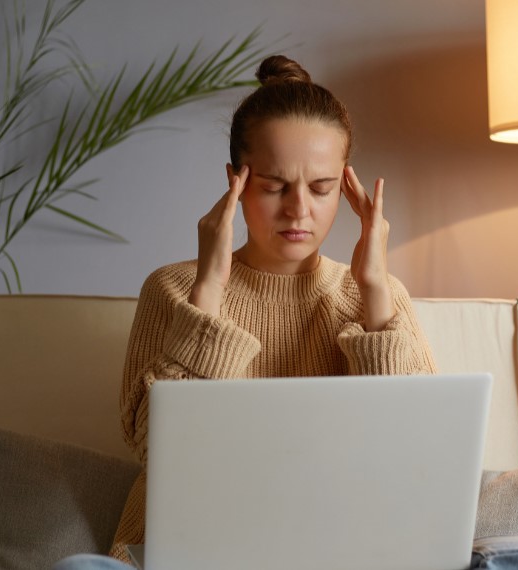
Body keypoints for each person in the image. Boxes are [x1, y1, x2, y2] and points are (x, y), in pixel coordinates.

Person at [107, 54, 437, 564]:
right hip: (194, 551)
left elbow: (419, 459)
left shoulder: (379, 298)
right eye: (274, 186)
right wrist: (210, 289)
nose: (298, 209)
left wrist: (374, 292)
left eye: (321, 188)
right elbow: (161, 453)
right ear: (235, 181)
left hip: (340, 551)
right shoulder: (174, 290)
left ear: (345, 186)